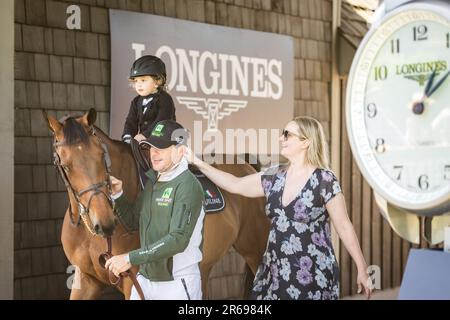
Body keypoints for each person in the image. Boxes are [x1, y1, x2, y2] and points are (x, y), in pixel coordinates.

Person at [184, 116, 373, 300]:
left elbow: (344, 226)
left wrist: (362, 268)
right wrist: (197, 162)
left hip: (313, 274)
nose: (281, 138)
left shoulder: (325, 180)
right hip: (274, 273)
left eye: (287, 134)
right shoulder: (274, 176)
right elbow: (235, 184)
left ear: (305, 142)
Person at [106, 120, 205, 300]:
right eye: (151, 147)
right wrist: (118, 195)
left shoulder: (188, 185)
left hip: (177, 283)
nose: (154, 153)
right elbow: (133, 222)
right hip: (145, 279)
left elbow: (177, 240)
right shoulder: (153, 182)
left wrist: (129, 258)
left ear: (181, 151)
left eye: (161, 147)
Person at [122, 55, 176, 144]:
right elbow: (131, 121)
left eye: (143, 80)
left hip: (164, 141)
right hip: (144, 142)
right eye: (136, 81)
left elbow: (162, 121)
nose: (138, 85)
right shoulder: (136, 101)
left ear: (157, 82)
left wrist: (145, 135)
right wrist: (127, 135)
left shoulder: (165, 99)